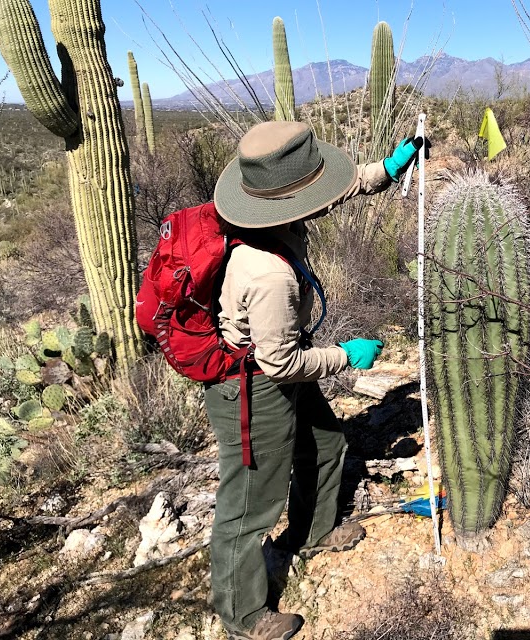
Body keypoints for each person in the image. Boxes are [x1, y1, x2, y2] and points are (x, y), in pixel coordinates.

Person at [205, 120, 424, 640]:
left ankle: (314, 530)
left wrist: (386, 171)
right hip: (252, 385)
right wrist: (345, 356)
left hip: (273, 365)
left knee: (326, 445)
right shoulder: (267, 273)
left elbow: (336, 192)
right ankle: (244, 616)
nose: (319, 202)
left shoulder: (271, 219)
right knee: (250, 502)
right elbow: (279, 363)